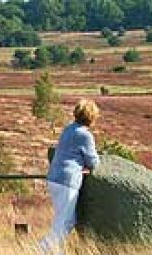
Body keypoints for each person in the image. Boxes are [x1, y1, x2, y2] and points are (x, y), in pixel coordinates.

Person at [39, 99, 100, 255]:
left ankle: (53, 250)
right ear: (91, 117)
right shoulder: (85, 135)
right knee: (64, 222)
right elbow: (93, 162)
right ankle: (42, 249)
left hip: (54, 178)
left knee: (66, 220)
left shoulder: (68, 129)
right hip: (68, 181)